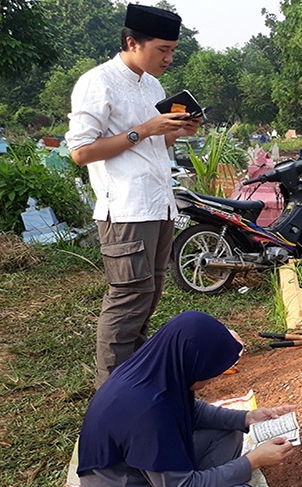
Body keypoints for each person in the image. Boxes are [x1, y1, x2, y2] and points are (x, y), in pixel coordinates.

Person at [77, 311, 296, 487]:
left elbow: (190, 411)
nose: (214, 378)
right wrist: (252, 461)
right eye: (211, 371)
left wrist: (245, 418)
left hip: (148, 482)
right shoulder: (148, 414)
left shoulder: (153, 371)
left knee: (228, 431)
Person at [66, 4, 201, 387]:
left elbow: (153, 143)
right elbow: (80, 152)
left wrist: (177, 130)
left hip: (158, 204)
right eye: (162, 49)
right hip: (125, 210)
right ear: (131, 42)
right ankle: (110, 398)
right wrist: (144, 128)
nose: (169, 58)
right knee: (126, 304)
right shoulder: (98, 82)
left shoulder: (152, 86)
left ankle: (135, 386)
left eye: (173, 50)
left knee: (148, 299)